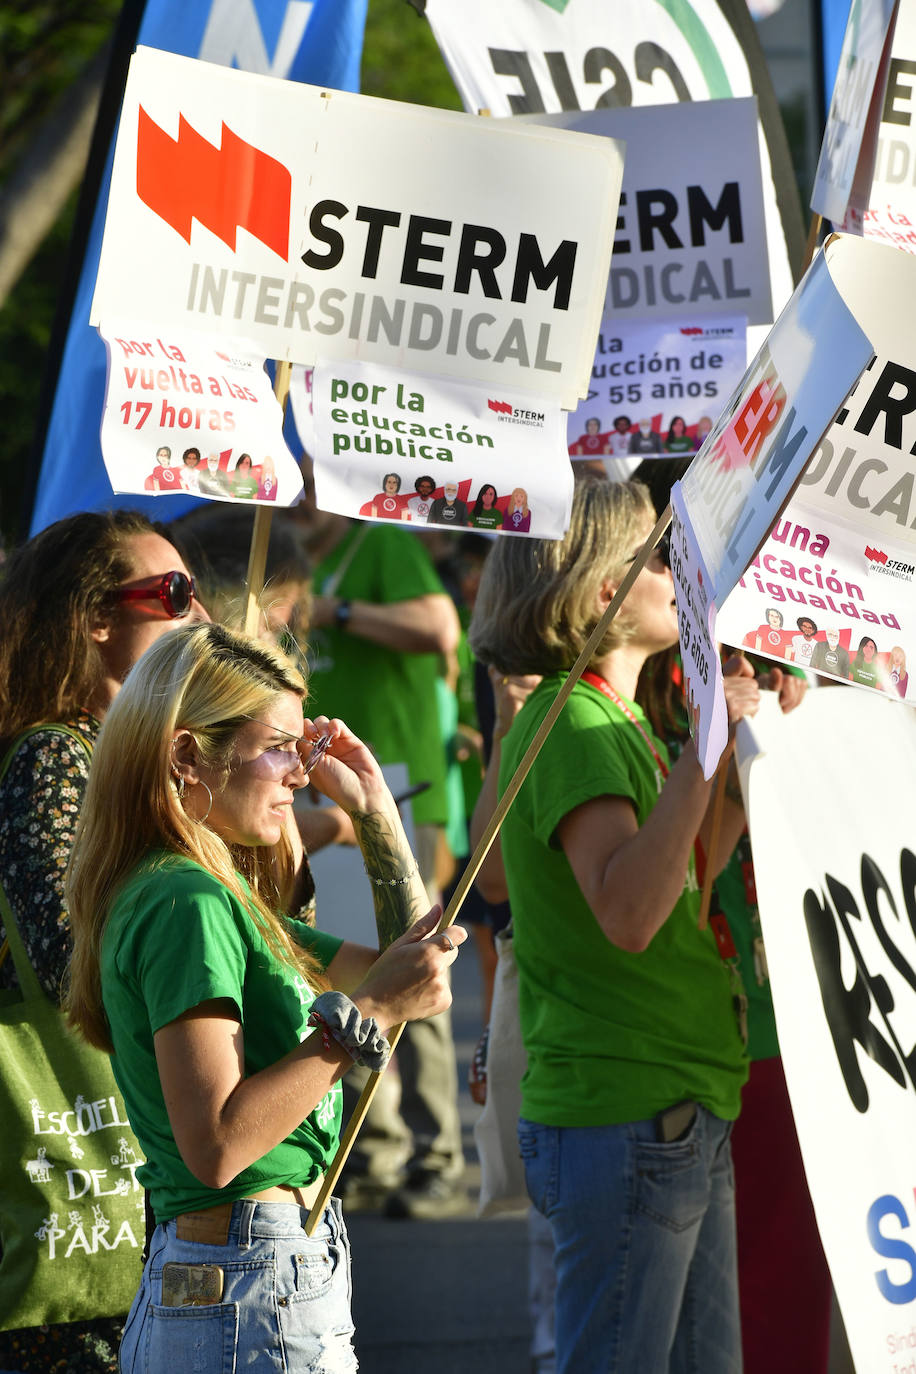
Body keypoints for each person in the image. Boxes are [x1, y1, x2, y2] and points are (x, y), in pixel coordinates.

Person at [65, 622, 466, 1374]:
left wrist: (376, 811)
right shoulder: (185, 899)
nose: (299, 776)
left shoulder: (219, 898)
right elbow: (217, 1146)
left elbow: (418, 974)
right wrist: (367, 1016)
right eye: (279, 747)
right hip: (243, 1283)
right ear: (188, 756)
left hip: (250, 1277)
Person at [469, 475, 764, 1373]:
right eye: (661, 557)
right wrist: (705, 743)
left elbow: (683, 881)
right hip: (631, 1116)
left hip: (669, 1106)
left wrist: (731, 761)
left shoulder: (608, 714)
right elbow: (630, 914)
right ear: (606, 590)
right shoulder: (574, 724)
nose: (681, 575)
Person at [0, 510, 208, 1373]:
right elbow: (69, 962)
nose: (202, 615)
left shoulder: (119, 759)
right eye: (175, 593)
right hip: (78, 1156)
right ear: (94, 619)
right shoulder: (55, 755)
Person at [296, 481, 467, 1219]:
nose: (299, 502)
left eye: (311, 485)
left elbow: (440, 627)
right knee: (353, 970)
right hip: (328, 797)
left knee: (414, 964)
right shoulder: (296, 561)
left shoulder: (384, 543)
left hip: (396, 792)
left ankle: (440, 1155)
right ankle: (375, 1149)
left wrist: (337, 613)